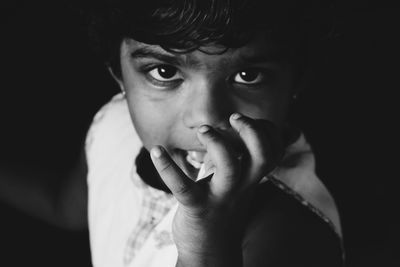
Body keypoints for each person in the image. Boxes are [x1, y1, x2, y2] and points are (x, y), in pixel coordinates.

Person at [1, 1, 344, 266]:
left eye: (248, 75)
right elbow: (67, 206)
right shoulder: (114, 124)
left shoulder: (288, 233)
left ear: (296, 81)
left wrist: (207, 250)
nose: (206, 118)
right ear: (118, 74)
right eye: (164, 71)